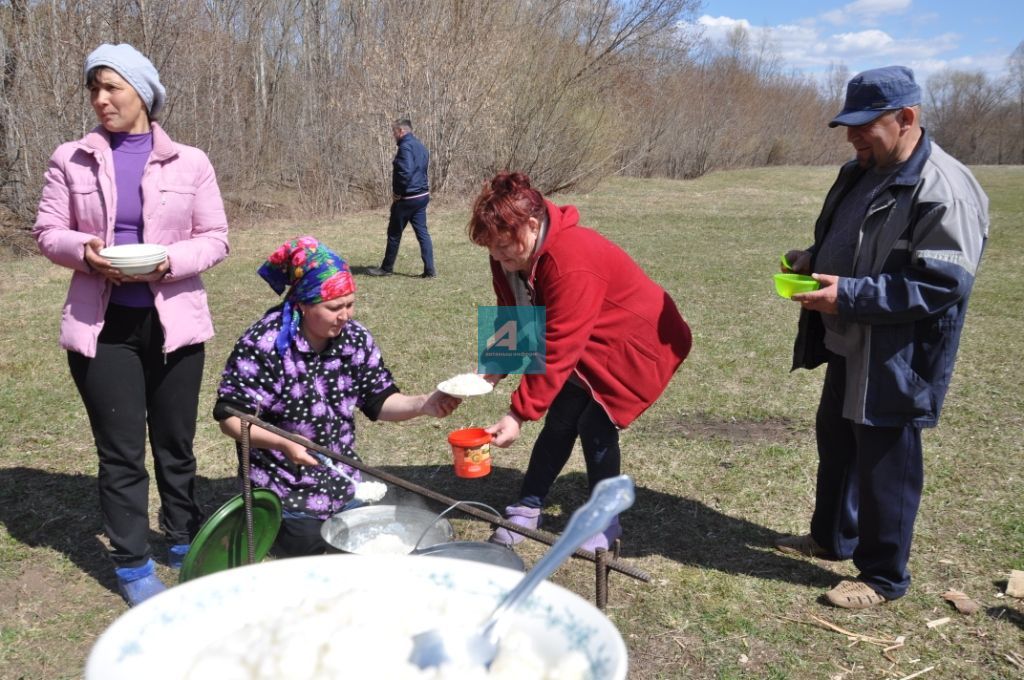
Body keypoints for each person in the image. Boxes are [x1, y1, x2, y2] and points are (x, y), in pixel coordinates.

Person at [775, 66, 989, 609]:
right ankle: (830, 539)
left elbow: (939, 282)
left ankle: (883, 577)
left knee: (886, 463)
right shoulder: (861, 170)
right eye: (848, 125)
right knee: (838, 442)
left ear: (906, 118)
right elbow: (856, 241)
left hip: (899, 352)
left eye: (863, 125)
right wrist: (813, 258)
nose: (851, 136)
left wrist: (849, 296)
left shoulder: (944, 187)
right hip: (851, 338)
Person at [33, 43, 229, 606]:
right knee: (120, 449)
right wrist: (84, 250)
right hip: (103, 327)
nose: (100, 99)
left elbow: (215, 238)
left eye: (111, 87)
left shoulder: (191, 162)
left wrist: (171, 261)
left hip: (174, 324)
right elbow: (48, 230)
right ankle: (131, 559)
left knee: (176, 442)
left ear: (142, 93)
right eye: (93, 89)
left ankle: (182, 532)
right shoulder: (70, 157)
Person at [468, 172, 692, 551]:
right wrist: (494, 367)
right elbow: (517, 315)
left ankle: (605, 521)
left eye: (504, 247)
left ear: (533, 225)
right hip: (584, 338)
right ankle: (527, 506)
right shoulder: (508, 256)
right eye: (491, 248)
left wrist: (518, 413)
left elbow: (557, 346)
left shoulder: (571, 259)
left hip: (634, 343)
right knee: (560, 422)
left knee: (594, 425)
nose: (498, 256)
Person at [214, 236, 460, 556]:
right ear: (302, 304)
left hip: (346, 486)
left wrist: (422, 404)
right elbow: (231, 418)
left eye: (349, 304)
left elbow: (379, 399)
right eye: (333, 308)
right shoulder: (265, 343)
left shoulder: (353, 339)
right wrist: (284, 443)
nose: (344, 315)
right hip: (288, 495)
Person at [366, 119, 435, 278]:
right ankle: (430, 270)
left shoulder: (405, 147)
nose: (393, 136)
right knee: (422, 233)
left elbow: (405, 173)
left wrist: (398, 193)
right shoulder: (421, 146)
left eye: (394, 132)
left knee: (394, 233)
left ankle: (386, 268)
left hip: (407, 198)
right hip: (422, 195)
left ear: (402, 131)